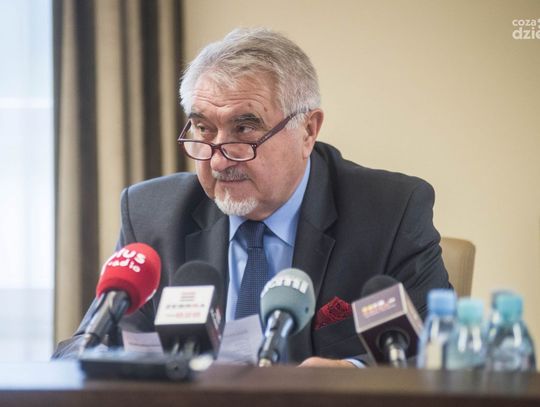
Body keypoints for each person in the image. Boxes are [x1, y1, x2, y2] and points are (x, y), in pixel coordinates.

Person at [53, 27, 450, 366]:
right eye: (204, 129)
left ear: (308, 130)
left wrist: (353, 374)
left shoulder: (391, 212)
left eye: (244, 129)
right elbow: (94, 351)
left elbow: (440, 352)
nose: (219, 159)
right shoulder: (150, 215)